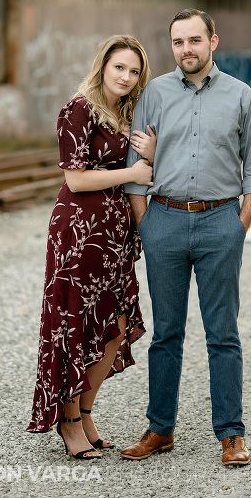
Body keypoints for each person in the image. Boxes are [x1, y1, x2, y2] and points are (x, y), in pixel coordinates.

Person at [121, 9, 251, 466]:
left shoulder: (242, 96)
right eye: (178, 42)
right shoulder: (155, 93)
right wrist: (146, 223)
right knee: (166, 333)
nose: (187, 49)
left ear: (213, 41)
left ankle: (230, 434)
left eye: (195, 40)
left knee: (222, 334)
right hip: (163, 220)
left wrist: (235, 229)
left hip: (219, 223)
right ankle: (159, 429)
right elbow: (136, 169)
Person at [27, 35, 156, 460]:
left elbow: (143, 168)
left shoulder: (126, 113)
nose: (126, 76)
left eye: (134, 71)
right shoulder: (78, 108)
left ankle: (84, 412)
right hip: (80, 233)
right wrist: (132, 171)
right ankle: (68, 422)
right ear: (103, 66)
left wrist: (148, 157)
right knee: (76, 326)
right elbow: (76, 179)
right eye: (119, 67)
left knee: (115, 331)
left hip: (115, 238)